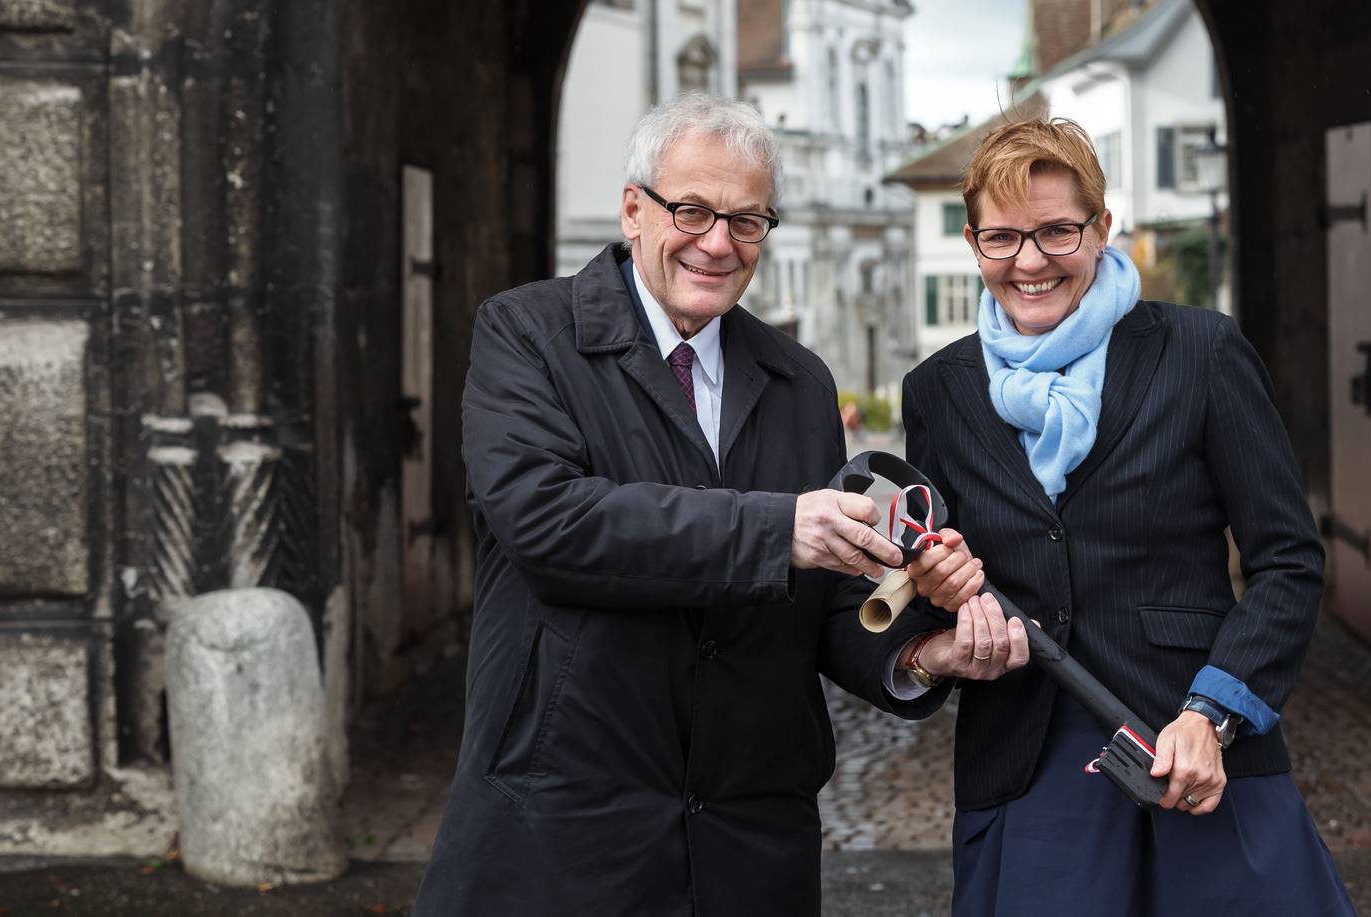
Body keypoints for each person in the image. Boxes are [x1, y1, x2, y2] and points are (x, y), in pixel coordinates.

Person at [412, 93, 1025, 916]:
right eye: (693, 210)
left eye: (747, 220)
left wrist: (918, 655)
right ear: (634, 210)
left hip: (749, 841)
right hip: (566, 824)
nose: (717, 243)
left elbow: (824, 603)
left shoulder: (799, 380)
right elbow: (548, 522)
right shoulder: (527, 335)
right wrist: (779, 528)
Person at [897, 117, 1356, 915]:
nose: (1030, 261)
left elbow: (1288, 558)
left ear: (1103, 228)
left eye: (1057, 231)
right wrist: (936, 594)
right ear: (973, 243)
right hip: (1027, 762)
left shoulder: (1200, 352)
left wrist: (1212, 713)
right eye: (1002, 238)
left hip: (1193, 750)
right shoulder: (939, 389)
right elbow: (922, 577)